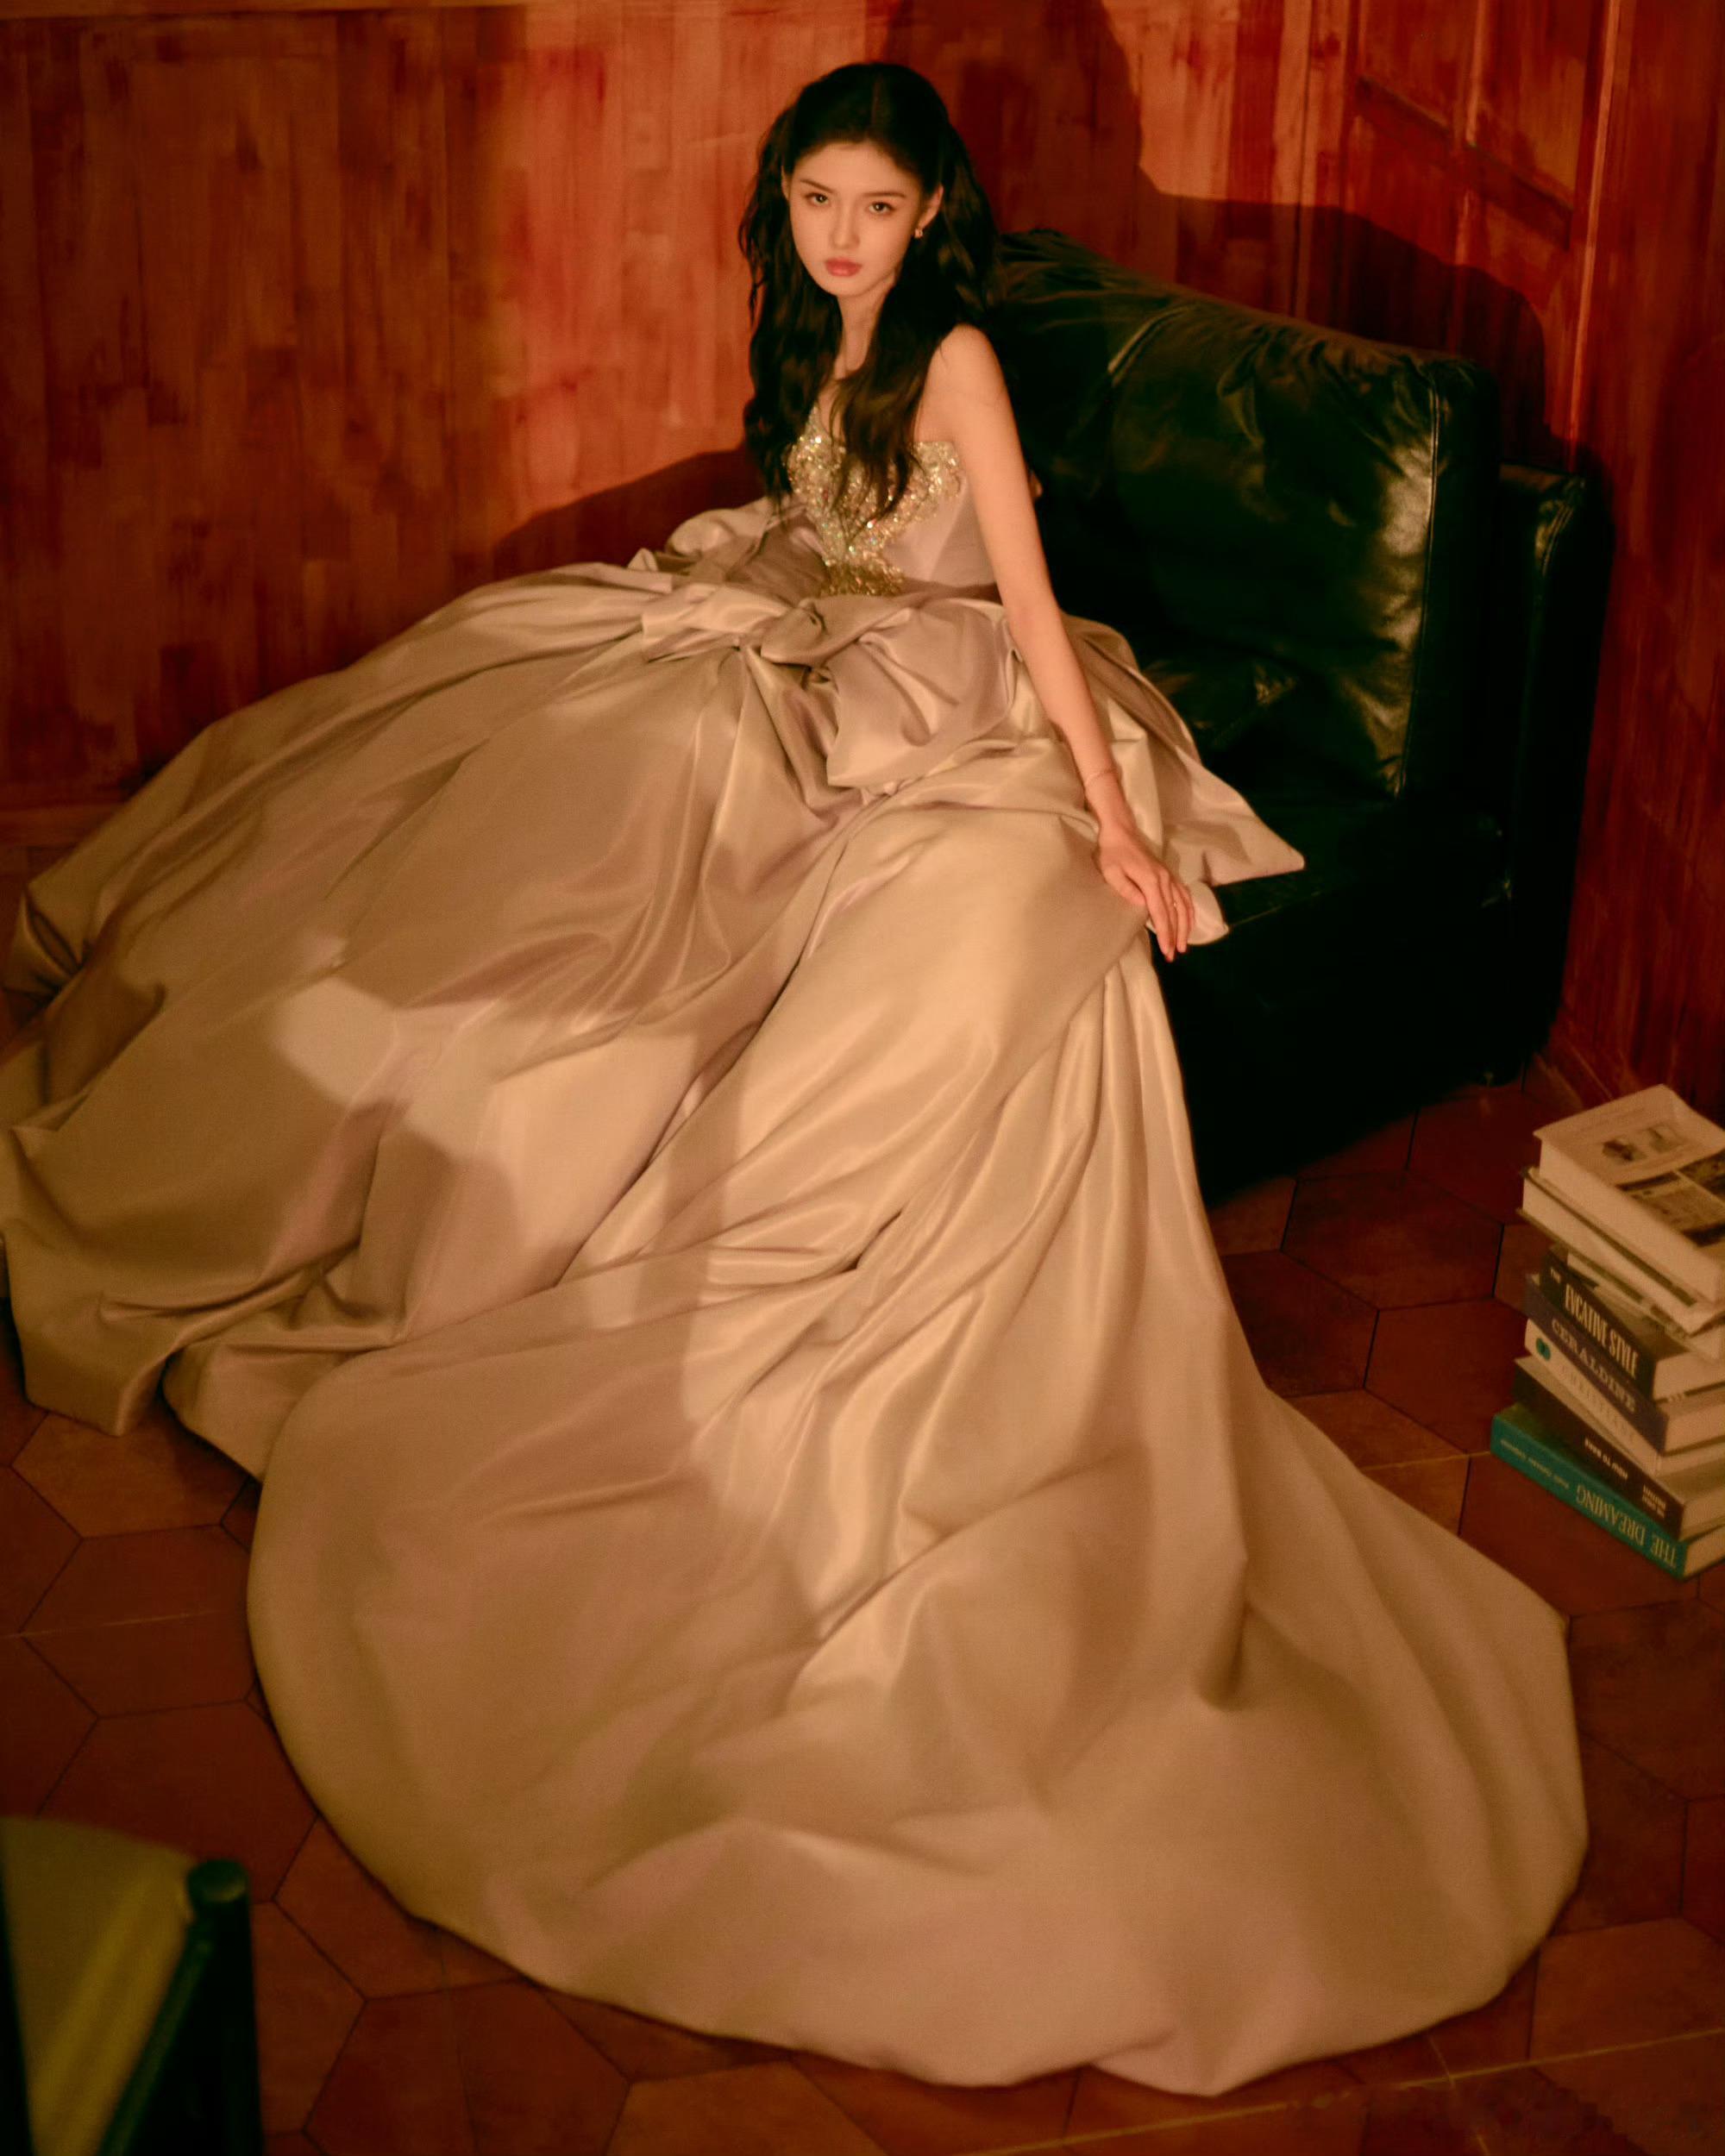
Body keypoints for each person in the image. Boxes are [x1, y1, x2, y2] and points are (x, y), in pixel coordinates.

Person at [0, 60, 1584, 2096]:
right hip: (807, 632)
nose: (842, 239)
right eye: (814, 201)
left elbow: (1026, 610)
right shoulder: (815, 330)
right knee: (533, 739)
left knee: (669, 808)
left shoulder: (960, 365)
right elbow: (821, 520)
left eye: (875, 207)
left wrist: (1114, 828)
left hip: (949, 683)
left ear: (933, 212)